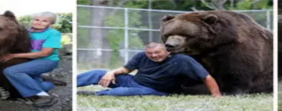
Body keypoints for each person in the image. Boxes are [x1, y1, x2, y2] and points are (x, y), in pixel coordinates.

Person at [77, 42, 222, 97]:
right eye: (150, 53)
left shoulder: (182, 60)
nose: (154, 56)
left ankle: (95, 95)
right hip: (133, 80)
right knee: (96, 73)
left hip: (156, 90)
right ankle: (74, 84)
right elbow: (127, 70)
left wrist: (217, 96)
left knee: (122, 92)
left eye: (157, 53)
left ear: (168, 52)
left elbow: (206, 77)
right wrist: (111, 72)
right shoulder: (141, 56)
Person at [0, 12, 63, 107]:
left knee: (12, 71)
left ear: (50, 24)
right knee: (34, 84)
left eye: (44, 21)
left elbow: (45, 53)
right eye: (36, 20)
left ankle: (43, 96)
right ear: (32, 21)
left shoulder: (53, 34)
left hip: (47, 61)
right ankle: (48, 85)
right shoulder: (25, 33)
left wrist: (13, 56)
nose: (39, 23)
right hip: (29, 61)